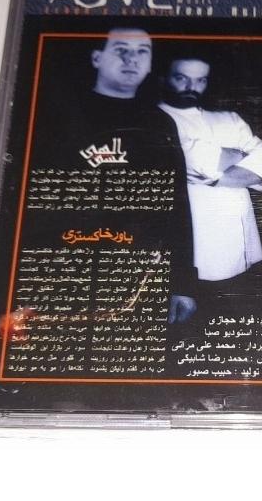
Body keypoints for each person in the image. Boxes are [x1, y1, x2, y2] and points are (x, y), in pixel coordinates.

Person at [34, 28, 197, 323]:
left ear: (150, 64)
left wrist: (182, 281)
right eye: (121, 49)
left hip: (135, 277)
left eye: (142, 52)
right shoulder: (56, 116)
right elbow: (32, 202)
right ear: (97, 57)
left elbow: (177, 204)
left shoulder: (160, 124)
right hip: (61, 269)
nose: (132, 59)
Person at [158, 58, 262, 284]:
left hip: (243, 249)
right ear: (163, 79)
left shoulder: (229, 118)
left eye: (200, 80)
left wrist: (210, 176)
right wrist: (240, 156)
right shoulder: (154, 119)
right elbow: (190, 159)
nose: (192, 87)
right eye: (182, 78)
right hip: (199, 251)